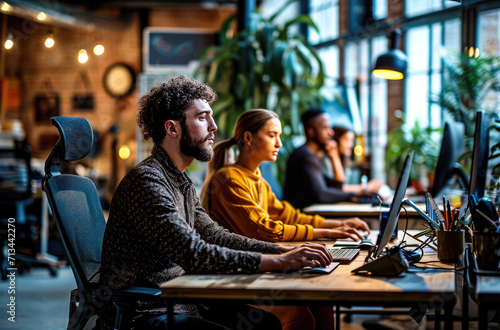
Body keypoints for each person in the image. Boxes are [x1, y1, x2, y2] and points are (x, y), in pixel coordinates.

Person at [99, 75, 335, 330]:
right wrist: (280, 262)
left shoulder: (180, 180)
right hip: (146, 313)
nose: (214, 126)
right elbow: (194, 253)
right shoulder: (147, 181)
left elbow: (214, 235)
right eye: (202, 118)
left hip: (184, 301)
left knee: (278, 321)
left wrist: (279, 251)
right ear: (172, 128)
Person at [200, 108, 369, 243]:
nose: (279, 143)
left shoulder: (257, 179)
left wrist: (339, 224)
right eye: (272, 135)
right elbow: (264, 230)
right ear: (248, 138)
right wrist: (328, 233)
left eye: (278, 136)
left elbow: (289, 216)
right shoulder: (231, 179)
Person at [283, 108, 377, 210]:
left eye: (330, 128)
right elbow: (322, 195)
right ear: (311, 132)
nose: (331, 133)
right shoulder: (305, 156)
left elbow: (336, 187)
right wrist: (355, 194)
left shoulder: (313, 155)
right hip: (299, 218)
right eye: (325, 128)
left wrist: (334, 157)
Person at [332, 125, 383, 194]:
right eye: (347, 140)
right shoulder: (328, 159)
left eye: (352, 141)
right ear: (336, 140)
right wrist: (365, 187)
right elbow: (337, 188)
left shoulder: (344, 160)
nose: (351, 145)